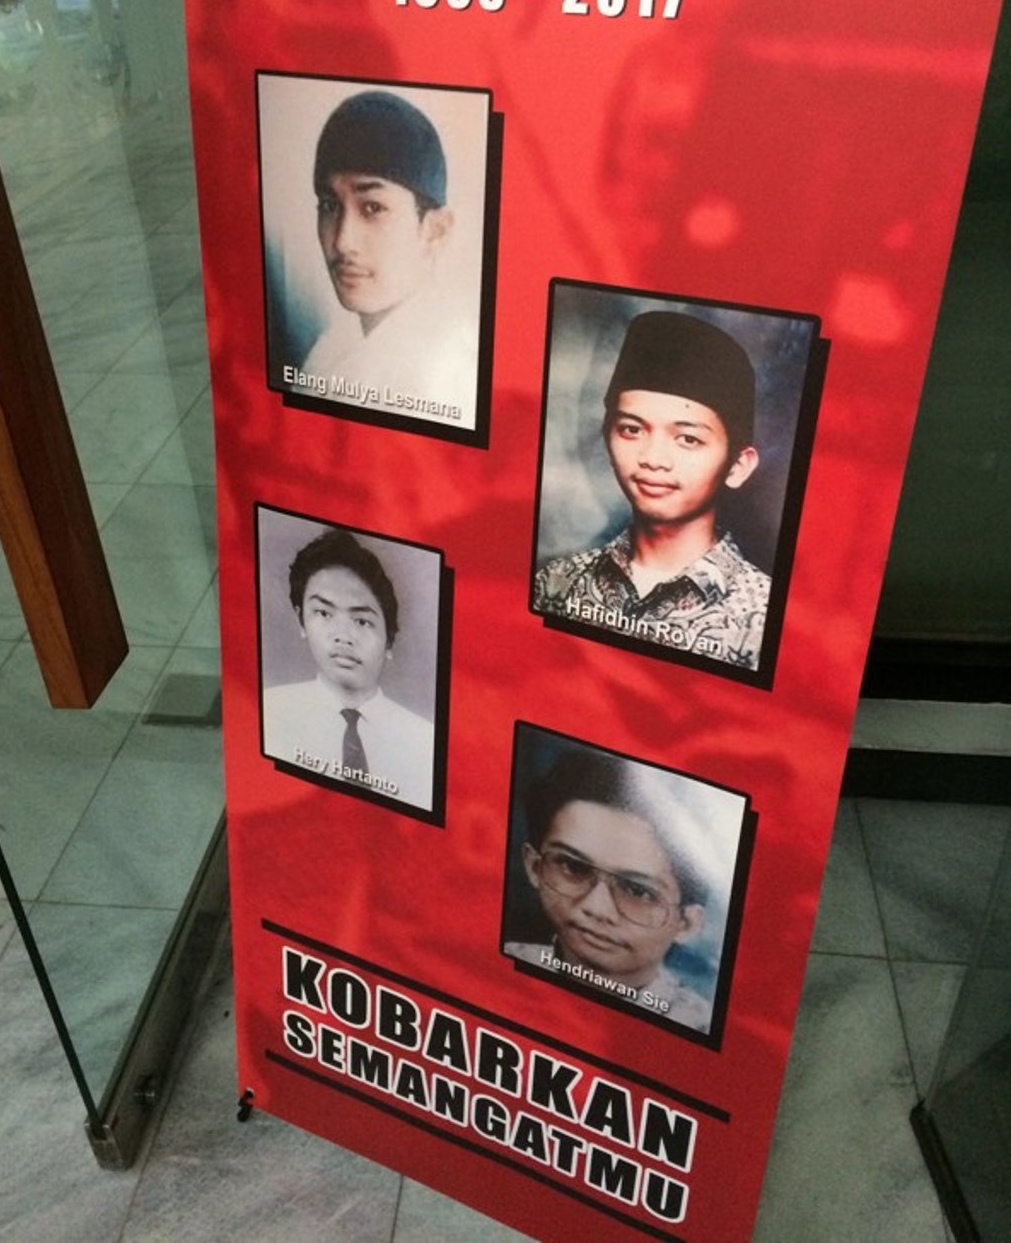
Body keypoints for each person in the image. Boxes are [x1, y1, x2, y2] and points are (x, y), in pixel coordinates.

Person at [534, 310, 769, 670]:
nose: (653, 459)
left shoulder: (763, 615)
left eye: (688, 439)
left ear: (737, 466)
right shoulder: (556, 582)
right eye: (631, 429)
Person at [297, 89, 478, 427]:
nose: (342, 241)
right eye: (329, 206)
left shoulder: (443, 383)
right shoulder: (335, 346)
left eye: (373, 208)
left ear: (435, 230)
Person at [504, 747, 714, 1031]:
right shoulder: (493, 966)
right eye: (572, 867)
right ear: (534, 866)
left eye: (638, 891)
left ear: (687, 923)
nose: (595, 908)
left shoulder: (699, 1028)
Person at [262, 529, 435, 811]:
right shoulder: (268, 711)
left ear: (388, 641)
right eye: (324, 613)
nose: (342, 636)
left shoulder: (424, 740)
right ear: (301, 620)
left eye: (362, 621)